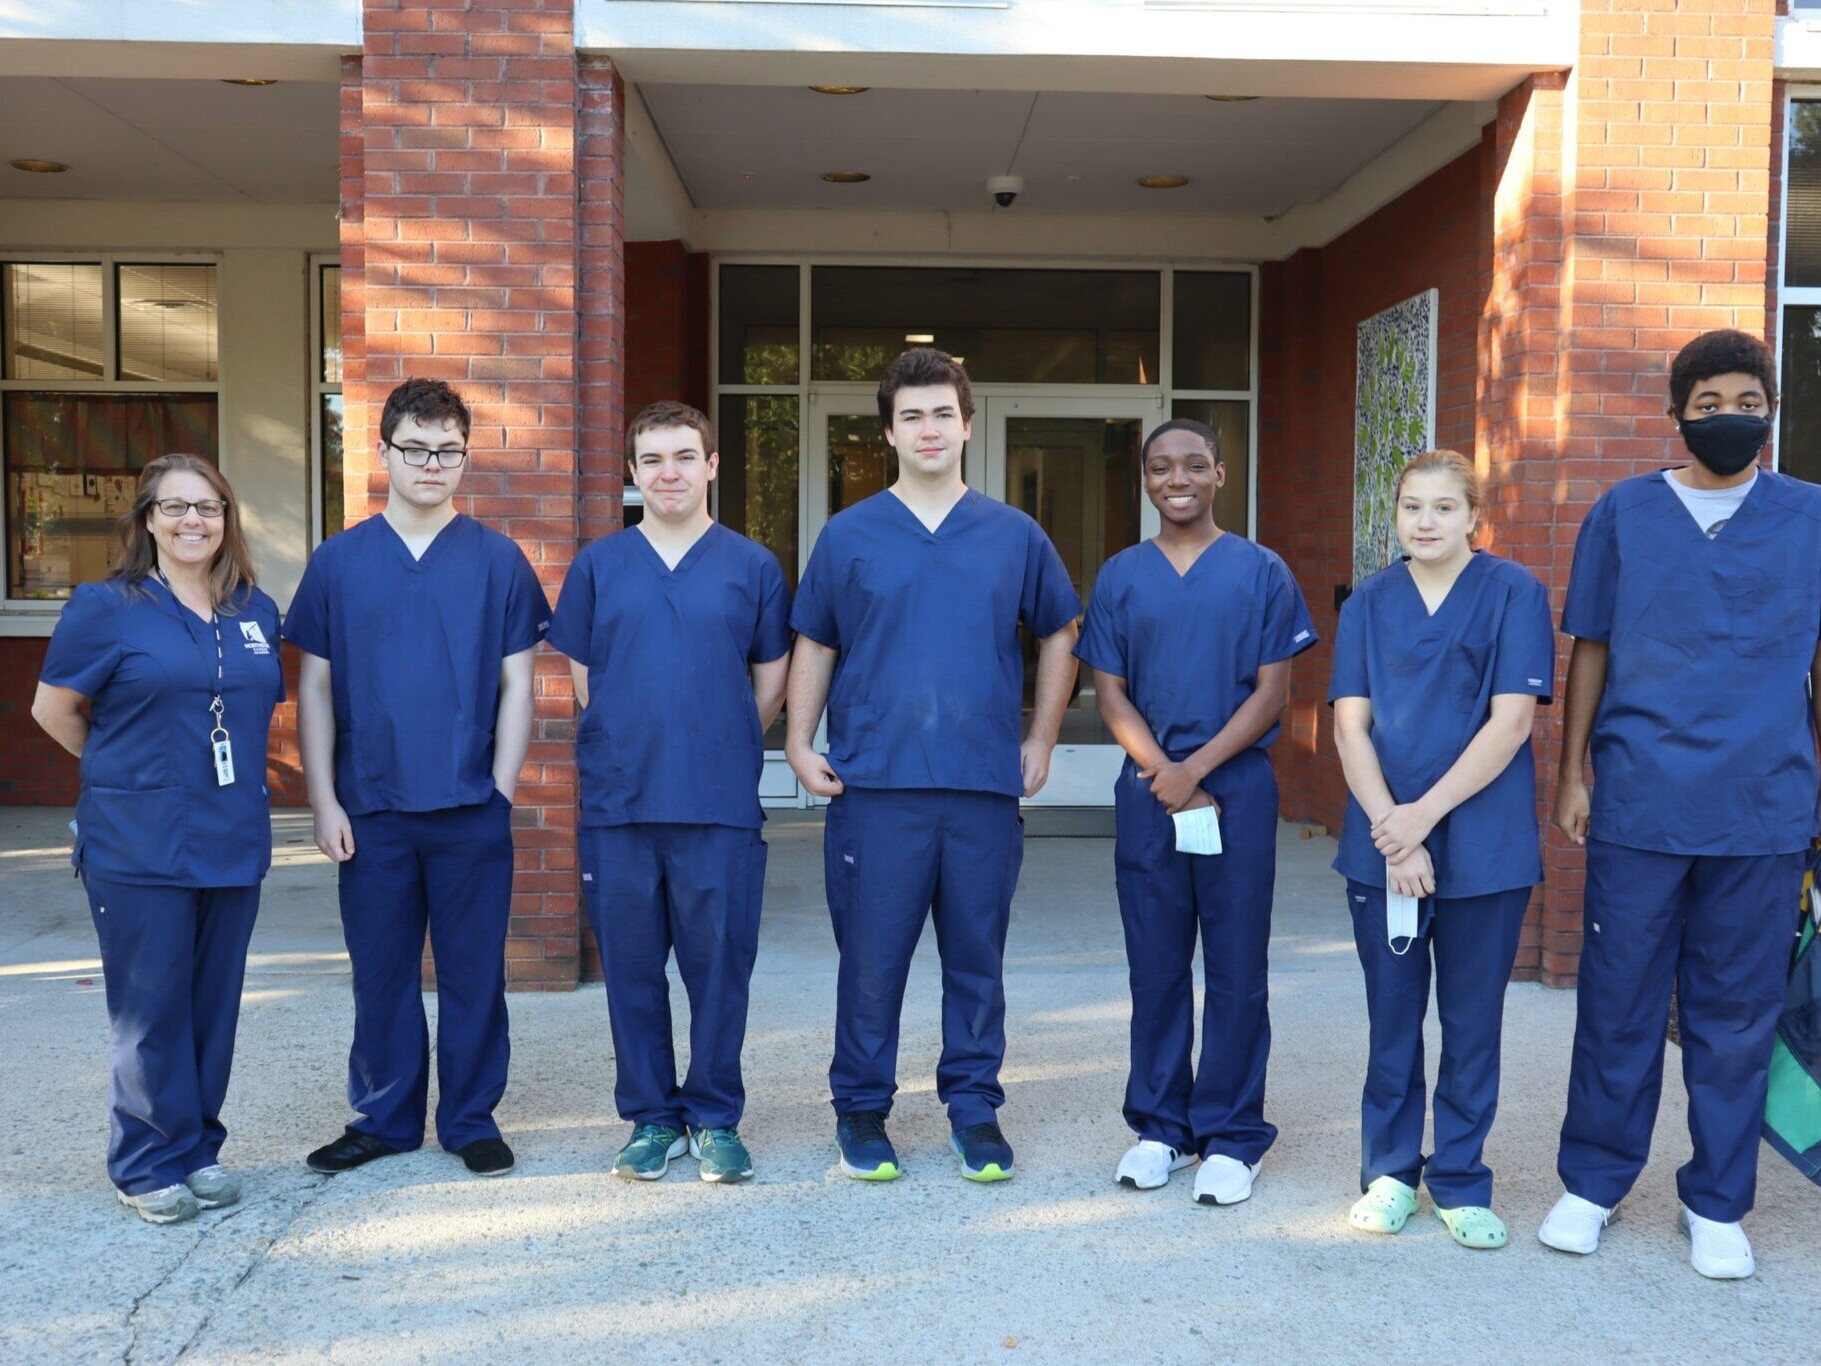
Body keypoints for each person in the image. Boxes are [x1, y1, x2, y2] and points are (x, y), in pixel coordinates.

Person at [1541, 329, 1821, 1279]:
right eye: (1708, 404)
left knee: (1735, 1012)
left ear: (1770, 411)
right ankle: (1591, 1183)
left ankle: (1717, 1203)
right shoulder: (1625, 513)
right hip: (1641, 801)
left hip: (1763, 805)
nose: (1729, 418)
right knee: (1616, 1003)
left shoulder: (1810, 517)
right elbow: (1591, 647)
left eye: (1747, 401)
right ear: (1676, 413)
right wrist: (1572, 772)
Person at [787, 348, 1081, 1183]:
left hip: (981, 787)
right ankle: (861, 1110)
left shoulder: (1012, 534)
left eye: (941, 414)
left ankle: (974, 1110)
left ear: (965, 425)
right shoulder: (850, 535)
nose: (927, 428)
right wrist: (800, 743)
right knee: (872, 964)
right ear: (887, 431)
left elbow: (1060, 630)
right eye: (911, 415)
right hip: (876, 787)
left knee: (975, 962)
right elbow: (816, 639)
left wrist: (1042, 737)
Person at [284, 377, 549, 1179]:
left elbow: (518, 686)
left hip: (469, 804)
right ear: (384, 451)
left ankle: (469, 1118)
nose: (431, 464)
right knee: (383, 973)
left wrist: (500, 788)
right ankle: (385, 1117)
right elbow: (316, 688)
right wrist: (324, 799)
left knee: (474, 973)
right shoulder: (339, 563)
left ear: (464, 457)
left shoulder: (498, 562)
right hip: (371, 809)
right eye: (415, 448)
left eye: (447, 451)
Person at [33, 455, 284, 1224]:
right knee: (149, 1011)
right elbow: (56, 711)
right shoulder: (105, 607)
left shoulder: (254, 610)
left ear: (226, 519)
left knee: (213, 1006)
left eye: (207, 508)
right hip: (137, 843)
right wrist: (131, 773)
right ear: (147, 520)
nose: (191, 522)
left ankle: (197, 1148)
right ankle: (143, 1163)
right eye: (174, 509)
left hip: (232, 835)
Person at [1075, 419, 1316, 1207]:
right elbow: (1109, 692)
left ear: (1219, 472)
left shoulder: (1261, 571)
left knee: (1237, 968)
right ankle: (1160, 1128)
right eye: (1157, 467)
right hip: (1150, 795)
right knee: (1155, 966)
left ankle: (1232, 1135)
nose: (1174, 478)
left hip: (1234, 791)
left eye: (1191, 465)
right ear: (1144, 480)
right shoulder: (1119, 576)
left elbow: (1272, 692)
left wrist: (1197, 770)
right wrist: (1163, 773)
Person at [550, 401, 790, 1184]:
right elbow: (587, 679)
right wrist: (633, 733)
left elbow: (769, 677)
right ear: (632, 473)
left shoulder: (750, 565)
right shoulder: (599, 565)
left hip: (716, 801)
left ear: (712, 464)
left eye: (685, 456)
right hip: (620, 802)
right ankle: (651, 1119)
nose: (669, 473)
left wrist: (716, 737)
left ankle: (715, 1116)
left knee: (720, 968)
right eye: (651, 460)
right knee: (631, 968)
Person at [1328, 450, 1553, 1249]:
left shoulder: (1513, 595)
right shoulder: (1367, 605)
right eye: (1411, 507)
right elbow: (1348, 725)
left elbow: (1511, 722)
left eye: (1442, 508)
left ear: (1472, 517)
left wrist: (1418, 817)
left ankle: (1459, 1178)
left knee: (1470, 1022)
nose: (1424, 522)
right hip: (1383, 844)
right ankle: (1389, 1172)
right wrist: (1392, 828)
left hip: (1482, 849)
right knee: (1391, 1021)